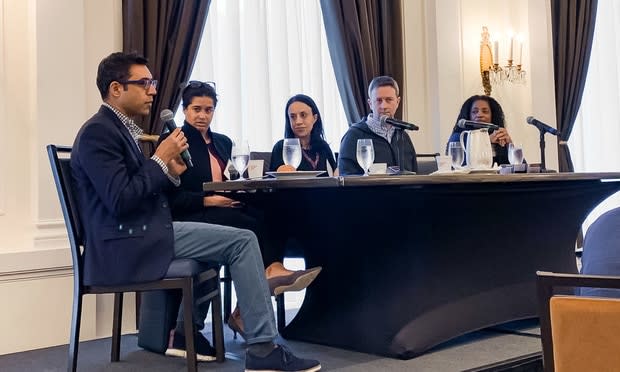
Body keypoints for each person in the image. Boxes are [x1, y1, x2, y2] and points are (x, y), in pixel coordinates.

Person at [71, 52, 320, 372]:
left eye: (153, 83)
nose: (152, 90)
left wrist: (168, 171)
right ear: (116, 89)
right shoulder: (98, 132)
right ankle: (262, 348)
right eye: (144, 82)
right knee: (243, 240)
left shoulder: (118, 130)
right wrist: (160, 161)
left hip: (145, 231)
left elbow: (139, 190)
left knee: (244, 230)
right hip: (128, 243)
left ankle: (214, 335)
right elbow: (120, 200)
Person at [162, 82, 322, 338]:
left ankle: (258, 289)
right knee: (252, 226)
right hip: (193, 214)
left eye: (209, 109)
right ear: (184, 109)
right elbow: (170, 198)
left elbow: (233, 179)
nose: (203, 115)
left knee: (274, 217)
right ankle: (270, 273)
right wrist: (209, 201)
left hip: (226, 206)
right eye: (197, 109)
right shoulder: (173, 141)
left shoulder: (223, 142)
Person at [338, 76, 418, 175]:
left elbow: (415, 174)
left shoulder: (403, 136)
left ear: (397, 102)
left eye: (389, 100)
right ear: (370, 103)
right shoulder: (354, 136)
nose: (384, 106)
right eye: (379, 100)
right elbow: (346, 177)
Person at [269, 94, 337, 174]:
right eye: (293, 117)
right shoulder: (282, 147)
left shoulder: (323, 146)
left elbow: (335, 175)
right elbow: (272, 182)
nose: (298, 122)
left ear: (314, 118)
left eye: (303, 115)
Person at [447, 94, 512, 165]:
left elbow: (521, 169)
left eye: (485, 111)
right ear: (468, 116)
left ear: (492, 116)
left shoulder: (499, 137)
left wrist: (510, 145)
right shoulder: (458, 138)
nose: (479, 115)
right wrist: (486, 141)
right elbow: (461, 166)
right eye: (474, 112)